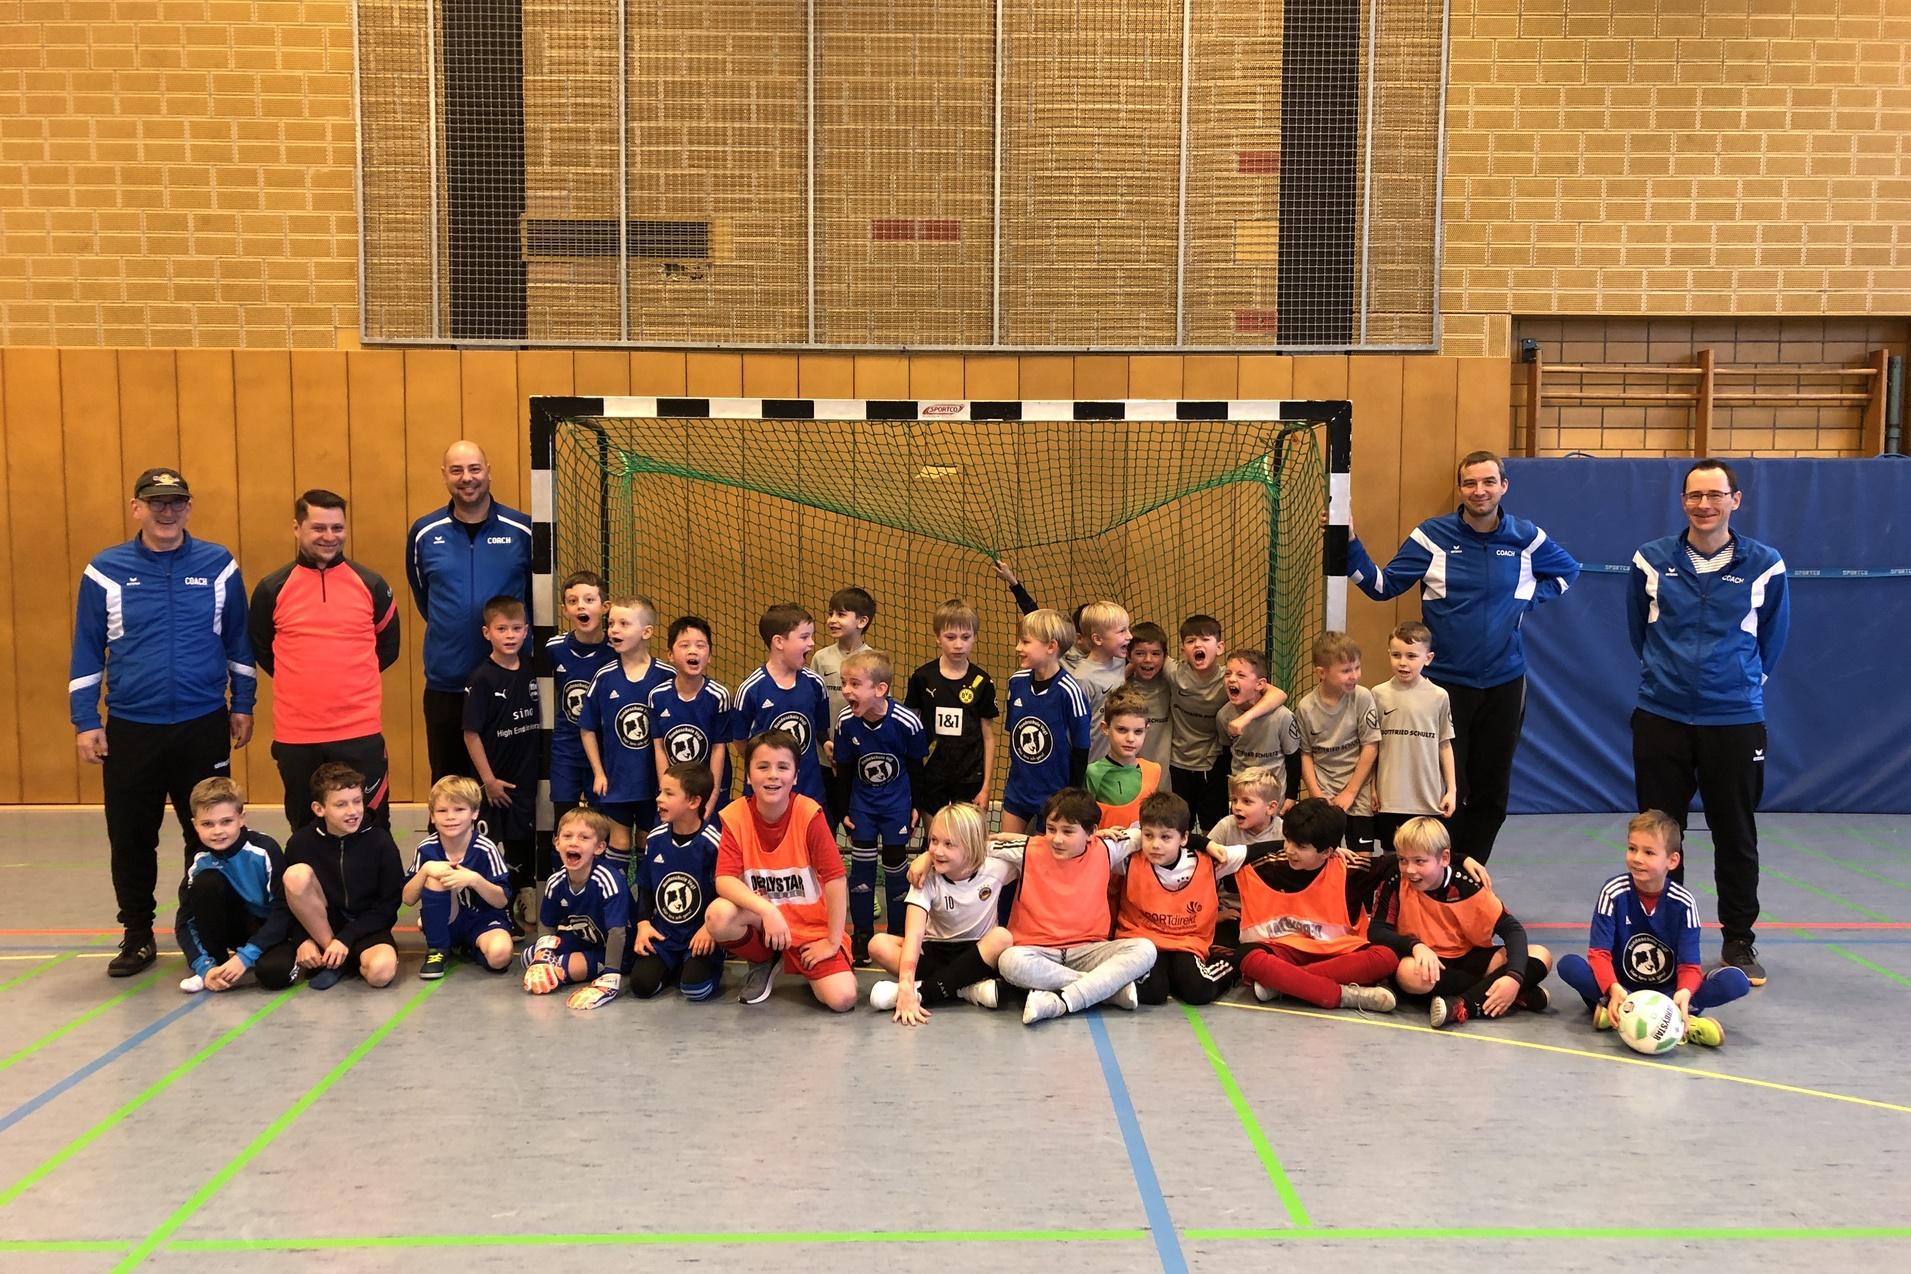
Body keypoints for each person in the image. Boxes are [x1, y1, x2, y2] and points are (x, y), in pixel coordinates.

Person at [1346, 451, 1579, 864]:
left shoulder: (1526, 537)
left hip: (1506, 683)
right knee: (1447, 786)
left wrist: (1524, 601)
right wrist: (1349, 545)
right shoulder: (1431, 536)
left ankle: (1471, 870)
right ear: (1460, 489)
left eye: (1489, 482)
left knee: (1492, 787)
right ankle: (1439, 867)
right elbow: (1383, 586)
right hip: (1447, 685)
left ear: (1503, 486)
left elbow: (1567, 571)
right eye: (1470, 483)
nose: (1480, 490)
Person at [70, 466, 256, 977]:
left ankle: (209, 929)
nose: (166, 511)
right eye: (156, 502)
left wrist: (243, 703)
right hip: (132, 728)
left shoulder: (218, 565)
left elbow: (238, 641)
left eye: (175, 502)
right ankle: (137, 934)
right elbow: (88, 648)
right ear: (137, 508)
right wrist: (85, 720)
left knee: (211, 836)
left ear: (189, 508)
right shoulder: (105, 571)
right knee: (131, 836)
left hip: (202, 724)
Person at [1628, 458, 1788, 986]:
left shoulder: (1766, 565)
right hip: (1662, 717)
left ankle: (1739, 941)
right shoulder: (1650, 560)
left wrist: (1734, 685)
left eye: (1715, 495)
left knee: (1735, 832)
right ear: (1683, 500)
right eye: (1695, 495)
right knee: (1657, 834)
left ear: (1734, 500)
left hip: (1734, 720)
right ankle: (1663, 935)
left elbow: (1772, 642)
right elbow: (1639, 635)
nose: (1704, 504)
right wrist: (1666, 678)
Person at [249, 489, 400, 831]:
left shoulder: (372, 584)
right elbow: (262, 649)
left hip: (359, 731)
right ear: (296, 527)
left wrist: (348, 681)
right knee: (305, 829)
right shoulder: (272, 588)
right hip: (297, 736)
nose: (329, 537)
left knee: (370, 826)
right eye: (318, 528)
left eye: (337, 528)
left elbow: (387, 649)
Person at [1555, 810, 1747, 1046]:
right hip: (1623, 989)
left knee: (1736, 981)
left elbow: (1689, 966)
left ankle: (1644, 1015)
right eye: (1632, 848)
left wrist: (1684, 993)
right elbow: (1599, 953)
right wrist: (1613, 988)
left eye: (1648, 852)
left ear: (1672, 860)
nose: (1637, 858)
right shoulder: (1613, 892)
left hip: (1668, 993)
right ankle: (1664, 1020)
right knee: (1570, 966)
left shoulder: (1684, 903)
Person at [704, 729, 857, 1011]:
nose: (773, 774)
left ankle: (808, 961)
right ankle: (764, 959)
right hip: (766, 924)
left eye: (783, 767)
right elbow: (724, 879)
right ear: (748, 776)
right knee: (718, 915)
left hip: (810, 929)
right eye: (763, 767)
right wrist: (768, 911)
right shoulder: (735, 815)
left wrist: (832, 942)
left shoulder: (809, 814)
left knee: (843, 999)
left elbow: (836, 878)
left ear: (795, 776)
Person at [407, 440, 531, 782]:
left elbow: (535, 601)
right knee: (450, 786)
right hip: (448, 683)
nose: (467, 478)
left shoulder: (523, 531)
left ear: (488, 472)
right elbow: (424, 597)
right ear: (445, 476)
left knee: (510, 787)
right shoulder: (424, 533)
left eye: (474, 469)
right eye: (457, 470)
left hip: (511, 683)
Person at [1369, 816, 1552, 1029]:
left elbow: (1513, 930)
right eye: (1403, 860)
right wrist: (1415, 946)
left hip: (1468, 959)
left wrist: (1514, 978)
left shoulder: (1467, 885)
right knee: (1408, 974)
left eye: (1419, 861)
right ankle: (1503, 995)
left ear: (1444, 858)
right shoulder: (1395, 877)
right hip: (1425, 962)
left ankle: (1464, 1004)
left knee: (1541, 955)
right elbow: (1377, 930)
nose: (1410, 869)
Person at [996, 788, 1158, 1024]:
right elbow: (976, 849)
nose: (1057, 839)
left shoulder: (1106, 847)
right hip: (1038, 953)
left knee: (1145, 949)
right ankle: (1105, 991)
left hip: (1089, 951)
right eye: (1051, 829)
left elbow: (1147, 832)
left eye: (1068, 831)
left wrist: (1203, 843)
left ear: (1091, 832)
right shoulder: (1026, 849)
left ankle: (1061, 1000)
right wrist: (927, 858)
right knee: (1009, 961)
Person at [1232, 798, 1400, 1012]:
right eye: (1287, 840)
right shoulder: (1267, 864)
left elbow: (1402, 860)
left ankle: (1284, 984)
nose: (1289, 850)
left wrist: (1458, 860)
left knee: (1386, 957)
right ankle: (1342, 995)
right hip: (1282, 950)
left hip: (1337, 953)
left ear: (1327, 852)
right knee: (1247, 957)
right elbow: (1216, 856)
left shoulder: (1350, 869)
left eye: (1300, 846)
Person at [253, 763, 404, 991]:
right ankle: (334, 960)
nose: (352, 811)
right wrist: (302, 939)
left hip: (365, 926)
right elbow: (285, 902)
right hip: (322, 926)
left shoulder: (380, 841)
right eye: (341, 804)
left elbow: (389, 905)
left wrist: (346, 938)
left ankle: (337, 958)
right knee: (295, 875)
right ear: (319, 808)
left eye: (357, 801)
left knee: (381, 973)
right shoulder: (300, 843)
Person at [872, 802, 1018, 1023]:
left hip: (978, 952)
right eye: (933, 841)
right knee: (878, 944)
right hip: (935, 950)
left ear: (971, 846)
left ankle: (923, 992)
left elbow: (1038, 850)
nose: (938, 851)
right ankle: (966, 989)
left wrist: (910, 992)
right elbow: (913, 936)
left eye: (949, 844)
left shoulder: (996, 868)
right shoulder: (926, 877)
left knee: (1002, 938)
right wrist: (904, 983)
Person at [833, 648, 928, 962]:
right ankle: (861, 934)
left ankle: (899, 933)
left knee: (896, 868)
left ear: (880, 689)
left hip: (896, 807)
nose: (847, 690)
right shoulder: (847, 722)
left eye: (855, 684)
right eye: (844, 683)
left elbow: (916, 766)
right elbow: (844, 768)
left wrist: (917, 803)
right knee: (861, 870)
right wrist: (843, 808)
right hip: (862, 806)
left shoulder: (906, 722)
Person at [1116, 792, 1244, 1006]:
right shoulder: (1129, 860)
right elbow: (1088, 844)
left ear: (1184, 838)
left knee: (1199, 991)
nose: (1156, 844)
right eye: (1148, 836)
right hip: (1142, 941)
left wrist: (1205, 843)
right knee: (1154, 993)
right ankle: (1169, 978)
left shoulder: (1206, 860)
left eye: (1165, 837)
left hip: (1186, 942)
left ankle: (1231, 963)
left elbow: (1251, 852)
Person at [578, 594, 674, 860]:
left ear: (647, 632)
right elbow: (586, 728)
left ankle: (644, 902)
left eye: (623, 624)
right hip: (618, 782)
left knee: (648, 843)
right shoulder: (604, 676)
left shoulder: (667, 676)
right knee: (617, 842)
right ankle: (619, 900)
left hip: (653, 784)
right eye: (611, 624)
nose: (614, 630)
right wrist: (599, 772)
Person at [1168, 614, 1285, 832]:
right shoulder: (1174, 672)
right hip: (1178, 763)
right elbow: (1144, 659)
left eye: (1205, 639)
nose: (1198, 645)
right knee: (1178, 827)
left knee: (1212, 828)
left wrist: (1245, 717)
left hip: (1212, 765)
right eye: (1191, 641)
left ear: (1219, 647)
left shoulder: (1228, 678)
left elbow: (1278, 694)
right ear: (1183, 650)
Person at [462, 596, 540, 922]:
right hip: (498, 781)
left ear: (526, 632)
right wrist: (488, 780)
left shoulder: (535, 670)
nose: (510, 635)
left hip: (529, 775)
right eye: (502, 629)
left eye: (516, 628)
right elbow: (471, 733)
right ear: (486, 632)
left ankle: (526, 894)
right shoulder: (482, 677)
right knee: (500, 845)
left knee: (525, 838)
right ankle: (499, 910)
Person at [173, 778, 286, 994]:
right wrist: (203, 966)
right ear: (195, 824)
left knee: (275, 974)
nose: (217, 831)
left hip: (269, 929)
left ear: (241, 818)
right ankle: (216, 967)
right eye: (207, 824)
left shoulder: (264, 850)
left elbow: (283, 911)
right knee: (206, 882)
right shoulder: (198, 858)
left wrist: (246, 956)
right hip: (235, 925)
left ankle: (245, 960)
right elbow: (185, 921)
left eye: (226, 821)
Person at [402, 775, 514, 980]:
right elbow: (408, 899)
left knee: (500, 956)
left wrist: (474, 879)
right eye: (442, 811)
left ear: (474, 813)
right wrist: (426, 870)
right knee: (436, 875)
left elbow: (502, 901)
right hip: (449, 919)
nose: (450, 817)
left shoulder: (485, 849)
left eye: (459, 809)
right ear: (432, 816)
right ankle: (437, 950)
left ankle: (467, 948)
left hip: (483, 919)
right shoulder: (427, 848)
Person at [627, 764, 724, 1002]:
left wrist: (710, 930)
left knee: (695, 990)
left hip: (699, 937)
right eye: (660, 792)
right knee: (640, 986)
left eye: (669, 794)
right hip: (664, 937)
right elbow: (647, 886)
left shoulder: (713, 843)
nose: (659, 799)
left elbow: (726, 893)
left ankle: (699, 965)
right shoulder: (655, 839)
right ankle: (672, 965)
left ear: (693, 802)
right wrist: (643, 925)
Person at [523, 807, 630, 1009]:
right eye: (567, 836)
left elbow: (617, 932)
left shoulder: (607, 880)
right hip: (584, 940)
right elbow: (547, 924)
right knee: (531, 957)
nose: (573, 842)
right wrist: (543, 956)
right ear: (557, 843)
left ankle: (596, 968)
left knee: (556, 971)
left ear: (599, 847)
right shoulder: (556, 882)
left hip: (618, 950)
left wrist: (610, 975)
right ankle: (564, 962)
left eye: (584, 838)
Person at [902, 598, 998, 823]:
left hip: (970, 777)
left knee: (968, 843)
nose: (958, 645)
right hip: (932, 774)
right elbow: (910, 727)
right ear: (938, 638)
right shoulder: (922, 677)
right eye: (950, 637)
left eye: (966, 637)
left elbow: (988, 737)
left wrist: (985, 788)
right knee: (934, 841)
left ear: (975, 637)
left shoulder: (982, 681)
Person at [729, 603, 832, 807]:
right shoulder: (751, 689)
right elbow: (740, 741)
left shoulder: (815, 683)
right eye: (804, 637)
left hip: (809, 790)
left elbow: (820, 729)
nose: (812, 643)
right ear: (779, 642)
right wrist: (767, 765)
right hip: (766, 793)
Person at [1000, 609, 1093, 834]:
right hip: (1018, 790)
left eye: (1025, 642)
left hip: (1054, 796)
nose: (1018, 648)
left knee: (1044, 862)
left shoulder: (1069, 692)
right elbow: (1014, 733)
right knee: (1004, 853)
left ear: (1051, 647)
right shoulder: (1016, 682)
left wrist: (1069, 798)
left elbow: (1081, 750)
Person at [1294, 632, 1381, 863]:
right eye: (1346, 671)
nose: (1354, 676)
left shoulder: (1362, 698)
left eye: (1357, 668)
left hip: (1356, 790)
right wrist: (1316, 794)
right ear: (1321, 673)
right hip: (1324, 792)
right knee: (1321, 856)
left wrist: (1350, 792)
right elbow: (1305, 754)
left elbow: (1371, 745)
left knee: (1361, 860)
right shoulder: (1306, 708)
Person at [1371, 622, 1457, 852]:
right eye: (1396, 655)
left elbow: (1444, 745)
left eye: (1411, 656)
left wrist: (1451, 790)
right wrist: (1372, 787)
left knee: (1426, 855)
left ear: (1427, 658)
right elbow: (1372, 746)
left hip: (1427, 798)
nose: (1403, 662)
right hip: (1390, 797)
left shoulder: (1439, 696)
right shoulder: (1378, 694)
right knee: (1392, 856)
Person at [545, 570, 616, 838]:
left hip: (604, 748)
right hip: (567, 748)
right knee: (563, 818)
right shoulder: (554, 648)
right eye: (573, 601)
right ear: (565, 610)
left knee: (601, 819)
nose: (581, 606)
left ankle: (601, 872)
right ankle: (561, 873)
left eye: (589, 600)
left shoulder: (615, 648)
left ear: (605, 607)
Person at [649, 615, 732, 820]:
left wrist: (711, 799)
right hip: (674, 787)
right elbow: (659, 748)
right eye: (684, 645)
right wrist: (666, 791)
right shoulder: (657, 696)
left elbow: (718, 748)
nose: (693, 651)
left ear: (710, 655)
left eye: (701, 646)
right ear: (670, 654)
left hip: (709, 787)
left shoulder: (719, 696)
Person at [812, 585, 876, 829]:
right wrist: (824, 742)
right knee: (823, 826)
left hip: (858, 761)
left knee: (856, 827)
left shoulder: (874, 659)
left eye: (840, 614)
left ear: (861, 621)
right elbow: (815, 706)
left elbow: (878, 711)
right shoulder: (820, 658)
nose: (832, 620)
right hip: (824, 758)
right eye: (830, 614)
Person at [1217, 649, 1300, 787]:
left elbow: (1293, 758)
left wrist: (1291, 797)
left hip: (1274, 796)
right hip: (1239, 794)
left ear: (1260, 684)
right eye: (1228, 674)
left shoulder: (1282, 716)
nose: (1231, 679)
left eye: (1241, 675)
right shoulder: (1224, 715)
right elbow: (1226, 755)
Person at [1062, 600, 1133, 761]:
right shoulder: (1082, 679)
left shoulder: (1119, 662)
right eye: (1122, 631)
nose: (1129, 636)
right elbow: (1071, 733)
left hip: (1116, 762)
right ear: (1098, 639)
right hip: (1091, 766)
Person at [1084, 688, 1161, 828]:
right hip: (1106, 848)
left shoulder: (1153, 770)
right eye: (1122, 730)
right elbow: (1083, 824)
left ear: (1146, 730)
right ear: (1105, 728)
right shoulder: (1093, 773)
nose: (1130, 739)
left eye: (1138, 732)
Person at [1123, 621, 1174, 784]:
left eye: (1156, 654)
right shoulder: (1120, 686)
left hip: (1164, 777)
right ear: (1128, 655)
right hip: (1129, 775)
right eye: (1140, 653)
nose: (1148, 659)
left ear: (1165, 656)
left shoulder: (1172, 685)